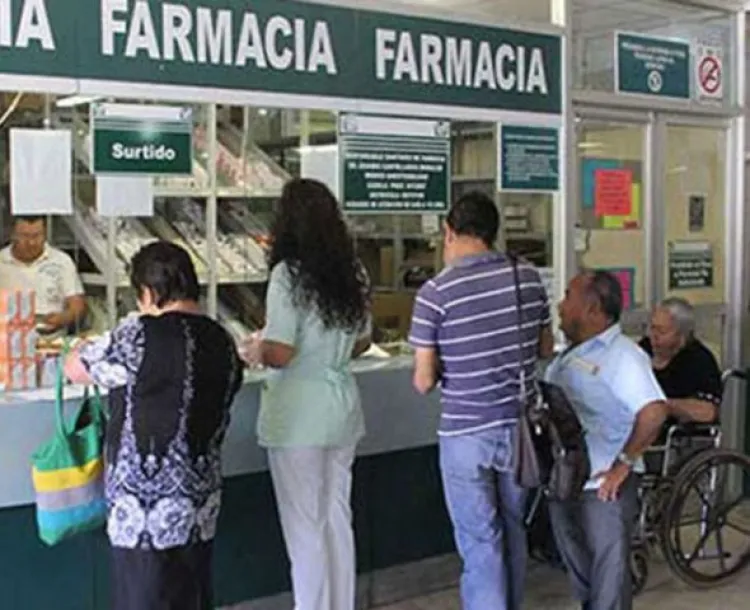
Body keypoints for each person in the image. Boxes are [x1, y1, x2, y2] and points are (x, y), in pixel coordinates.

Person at [63, 241, 242, 610]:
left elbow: (75, 368)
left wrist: (81, 346)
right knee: (191, 596)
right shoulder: (221, 339)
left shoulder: (139, 335)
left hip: (142, 509)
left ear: (148, 292)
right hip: (199, 501)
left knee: (143, 598)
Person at [408, 191, 554, 610]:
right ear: (494, 233)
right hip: (519, 430)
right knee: (512, 527)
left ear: (449, 232)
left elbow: (422, 380)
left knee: (479, 540)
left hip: (465, 433)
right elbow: (544, 347)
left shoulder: (436, 293)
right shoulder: (525, 276)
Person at [239, 179, 371, 610]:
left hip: (297, 417)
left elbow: (280, 351)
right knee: (337, 518)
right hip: (342, 409)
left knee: (305, 529)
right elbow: (362, 342)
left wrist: (253, 348)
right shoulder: (352, 273)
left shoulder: (287, 276)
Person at [544, 271, 669, 610]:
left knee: (609, 581)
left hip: (602, 487)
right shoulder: (572, 353)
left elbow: (654, 411)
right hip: (567, 480)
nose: (561, 304)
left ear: (592, 308)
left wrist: (623, 465)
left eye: (568, 296)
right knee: (583, 577)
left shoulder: (622, 356)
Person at [639, 297, 722, 427]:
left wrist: (665, 406)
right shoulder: (643, 349)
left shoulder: (698, 360)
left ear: (682, 335)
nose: (654, 337)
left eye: (662, 331)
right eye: (652, 328)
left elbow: (708, 411)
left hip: (674, 436)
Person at [0, 215, 87, 333]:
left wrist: (63, 318)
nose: (31, 242)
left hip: (51, 336)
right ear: (13, 235)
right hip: (7, 336)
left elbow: (77, 304)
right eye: (25, 236)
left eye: (36, 236)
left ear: (45, 234)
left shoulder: (61, 261)